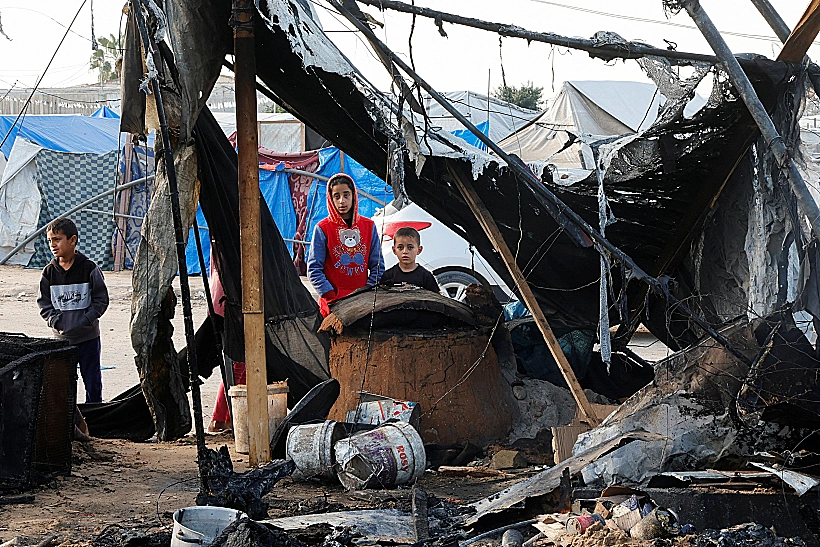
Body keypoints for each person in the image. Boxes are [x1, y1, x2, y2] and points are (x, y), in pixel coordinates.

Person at [37, 218, 109, 406]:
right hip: (61, 341)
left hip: (88, 338)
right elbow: (44, 303)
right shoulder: (48, 273)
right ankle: (68, 422)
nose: (53, 244)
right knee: (62, 385)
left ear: (73, 240)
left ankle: (94, 418)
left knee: (92, 383)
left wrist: (87, 319)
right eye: (50, 240)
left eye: (57, 239)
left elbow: (101, 299)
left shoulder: (89, 268)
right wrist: (55, 321)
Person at [307, 173, 384, 316]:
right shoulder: (323, 228)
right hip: (333, 304)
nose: (342, 201)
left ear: (354, 195)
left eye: (346, 195)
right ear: (330, 198)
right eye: (336, 196)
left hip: (362, 303)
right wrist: (329, 294)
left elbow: (378, 266)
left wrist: (367, 290)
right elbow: (314, 269)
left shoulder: (369, 226)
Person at [379, 226, 441, 292]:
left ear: (419, 250)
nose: (405, 251)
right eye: (400, 247)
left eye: (410, 247)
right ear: (394, 250)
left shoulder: (426, 276)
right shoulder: (388, 276)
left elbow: (435, 298)